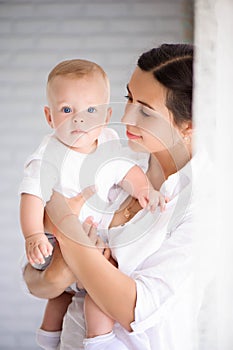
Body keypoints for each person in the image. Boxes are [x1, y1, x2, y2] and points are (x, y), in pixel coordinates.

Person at [23, 43, 211, 350]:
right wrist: (57, 255)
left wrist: (67, 232)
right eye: (129, 98)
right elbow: (34, 279)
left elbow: (134, 309)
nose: (126, 118)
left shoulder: (205, 205)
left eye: (145, 112)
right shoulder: (114, 160)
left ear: (188, 125)